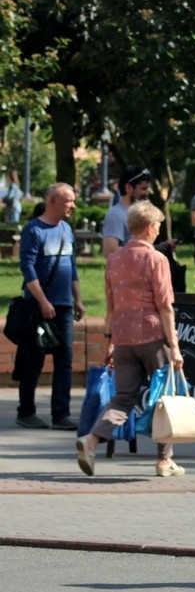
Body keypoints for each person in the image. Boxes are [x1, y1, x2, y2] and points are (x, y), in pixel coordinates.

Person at [75, 201, 185, 476]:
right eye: (158, 226)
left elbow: (110, 306)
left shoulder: (115, 259)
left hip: (123, 336)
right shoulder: (156, 259)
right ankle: (163, 460)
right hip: (152, 334)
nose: (159, 231)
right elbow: (165, 306)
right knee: (164, 397)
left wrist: (109, 341)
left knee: (123, 397)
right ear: (150, 228)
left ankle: (92, 439)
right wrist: (175, 346)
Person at [15, 184, 84, 430]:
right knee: (34, 357)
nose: (73, 206)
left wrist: (78, 298)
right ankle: (26, 411)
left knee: (64, 359)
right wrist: (43, 301)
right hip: (38, 307)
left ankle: (61, 415)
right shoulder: (34, 230)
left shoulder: (66, 229)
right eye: (68, 201)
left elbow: (72, 266)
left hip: (64, 306)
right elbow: (28, 267)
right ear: (53, 201)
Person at [101, 164, 152, 257]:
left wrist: (160, 247)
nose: (147, 193)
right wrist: (143, 252)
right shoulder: (116, 215)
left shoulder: (138, 212)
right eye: (144, 188)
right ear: (128, 187)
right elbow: (110, 250)